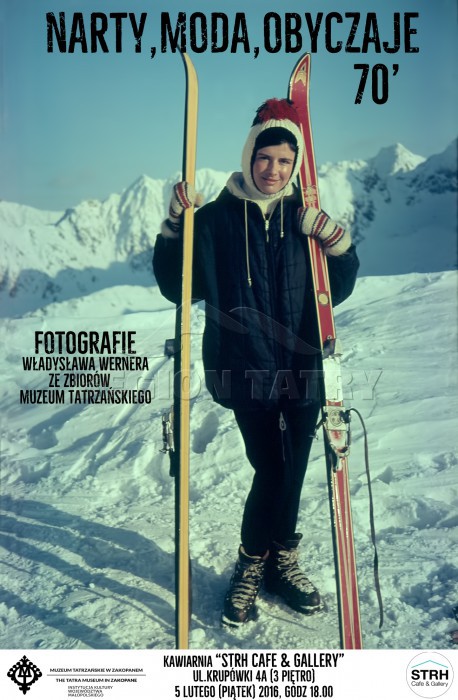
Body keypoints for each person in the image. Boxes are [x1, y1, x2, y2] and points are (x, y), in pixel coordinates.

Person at [153, 98, 359, 627]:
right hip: (243, 367)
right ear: (249, 157)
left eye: (285, 161)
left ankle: (279, 560)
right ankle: (252, 564)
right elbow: (177, 287)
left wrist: (336, 243)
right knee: (273, 468)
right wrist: (176, 226)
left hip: (303, 366)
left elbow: (334, 292)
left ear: (296, 166)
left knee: (293, 468)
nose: (273, 170)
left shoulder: (303, 217)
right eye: (265, 158)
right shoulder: (215, 219)